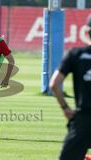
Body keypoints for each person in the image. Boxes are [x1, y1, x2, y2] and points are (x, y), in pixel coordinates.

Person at [49, 16, 91, 160]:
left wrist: (65, 108)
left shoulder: (75, 54)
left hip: (83, 119)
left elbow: (54, 84)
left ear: (87, 31)